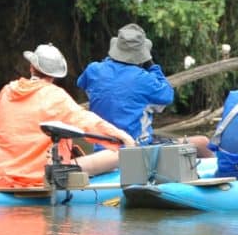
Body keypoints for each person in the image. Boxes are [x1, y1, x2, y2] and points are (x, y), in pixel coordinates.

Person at [0, 44, 135, 200]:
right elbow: (88, 121)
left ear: (31, 67)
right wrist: (123, 138)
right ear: (55, 75)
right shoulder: (56, 96)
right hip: (39, 176)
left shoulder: (8, 91)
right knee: (118, 155)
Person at [77, 23, 213, 158]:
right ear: (142, 54)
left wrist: (110, 63)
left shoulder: (93, 70)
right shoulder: (144, 79)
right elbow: (168, 95)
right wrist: (152, 65)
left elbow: (82, 83)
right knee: (203, 142)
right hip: (137, 149)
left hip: (101, 150)